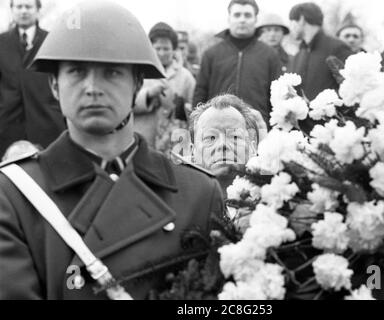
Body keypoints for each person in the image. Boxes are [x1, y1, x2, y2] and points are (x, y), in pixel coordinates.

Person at [0, 0, 224, 300]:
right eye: (77, 71)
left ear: (137, 83)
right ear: (54, 85)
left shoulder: (198, 192)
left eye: (112, 72)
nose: (92, 87)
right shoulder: (14, 194)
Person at [193, 0, 282, 128]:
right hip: (217, 128)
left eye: (247, 15)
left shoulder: (270, 55)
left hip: (257, 128)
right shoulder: (211, 54)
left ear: (255, 19)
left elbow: (277, 97)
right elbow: (200, 93)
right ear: (229, 18)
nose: (242, 20)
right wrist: (197, 127)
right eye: (237, 15)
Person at [0, 0, 65, 158]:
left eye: (28, 7)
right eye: (19, 7)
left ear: (38, 10)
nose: (23, 11)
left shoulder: (52, 41)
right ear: (12, 10)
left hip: (46, 123)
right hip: (7, 126)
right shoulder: (1, 42)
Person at [134, 22, 196, 156]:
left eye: (166, 48)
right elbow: (125, 104)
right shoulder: (138, 73)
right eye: (158, 48)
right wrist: (148, 95)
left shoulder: (186, 77)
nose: (162, 53)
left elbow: (195, 111)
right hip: (143, 140)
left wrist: (182, 108)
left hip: (176, 145)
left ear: (173, 49)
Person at [190, 94, 259, 192]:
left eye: (234, 136)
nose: (222, 144)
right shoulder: (177, 204)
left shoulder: (276, 202)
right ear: (193, 152)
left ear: (253, 148)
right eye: (210, 137)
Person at [288, 2, 353, 102]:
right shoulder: (298, 56)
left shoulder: (338, 48)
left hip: (335, 116)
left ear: (301, 19)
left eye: (291, 21)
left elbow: (352, 88)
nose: (290, 27)